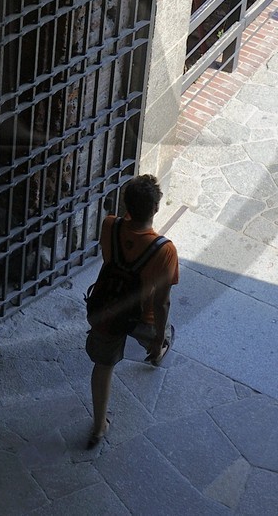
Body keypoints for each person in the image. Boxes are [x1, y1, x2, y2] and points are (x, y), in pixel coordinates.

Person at [86, 173, 179, 449]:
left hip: (109, 309)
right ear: (156, 208)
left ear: (126, 205)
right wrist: (158, 337)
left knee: (103, 366)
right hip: (142, 317)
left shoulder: (109, 225)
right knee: (161, 334)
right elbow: (162, 302)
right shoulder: (165, 250)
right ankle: (155, 352)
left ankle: (99, 427)